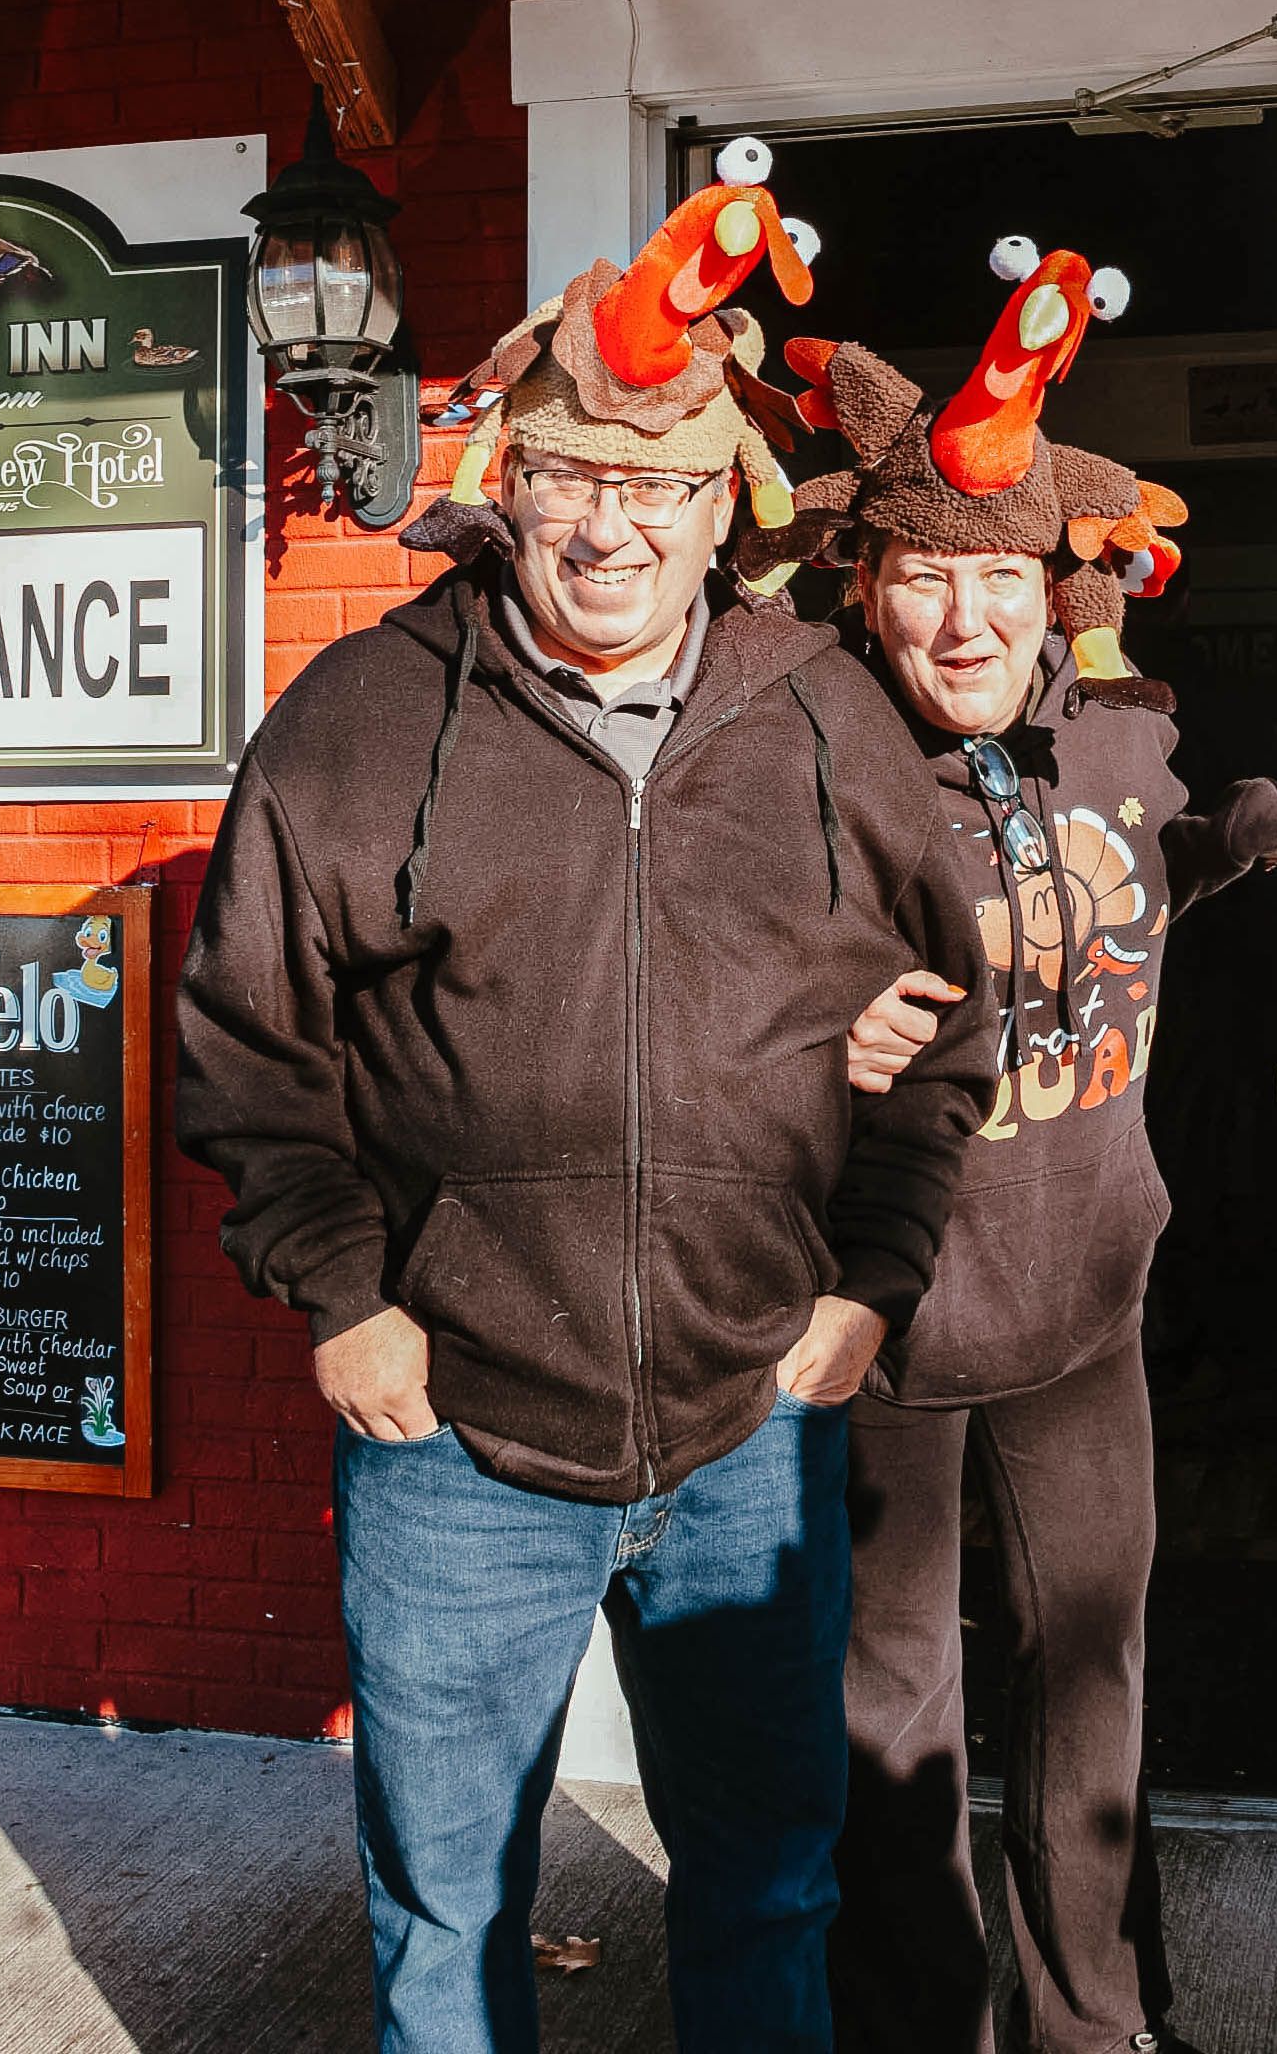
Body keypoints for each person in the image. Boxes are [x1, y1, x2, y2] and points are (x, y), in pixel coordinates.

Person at [175, 151, 997, 2054]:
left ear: (729, 507)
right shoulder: (357, 721)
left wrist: (870, 1279)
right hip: (452, 1428)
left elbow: (947, 1021)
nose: (609, 528)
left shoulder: (823, 711)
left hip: (745, 1427)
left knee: (767, 1884)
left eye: (656, 486)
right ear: (506, 487)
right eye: (571, 479)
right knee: (447, 1907)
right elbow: (247, 1036)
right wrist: (341, 1293)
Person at [739, 237, 1277, 2054]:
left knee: (1093, 1672)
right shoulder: (805, 772)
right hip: (882, 1333)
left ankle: (1091, 2018)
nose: (964, 618)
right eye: (922, 576)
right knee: (895, 1709)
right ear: (867, 585)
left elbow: (1124, 900)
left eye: (996, 575)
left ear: (1054, 588)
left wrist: (1227, 842)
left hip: (1085, 1310)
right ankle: (918, 2028)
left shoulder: (1121, 748)